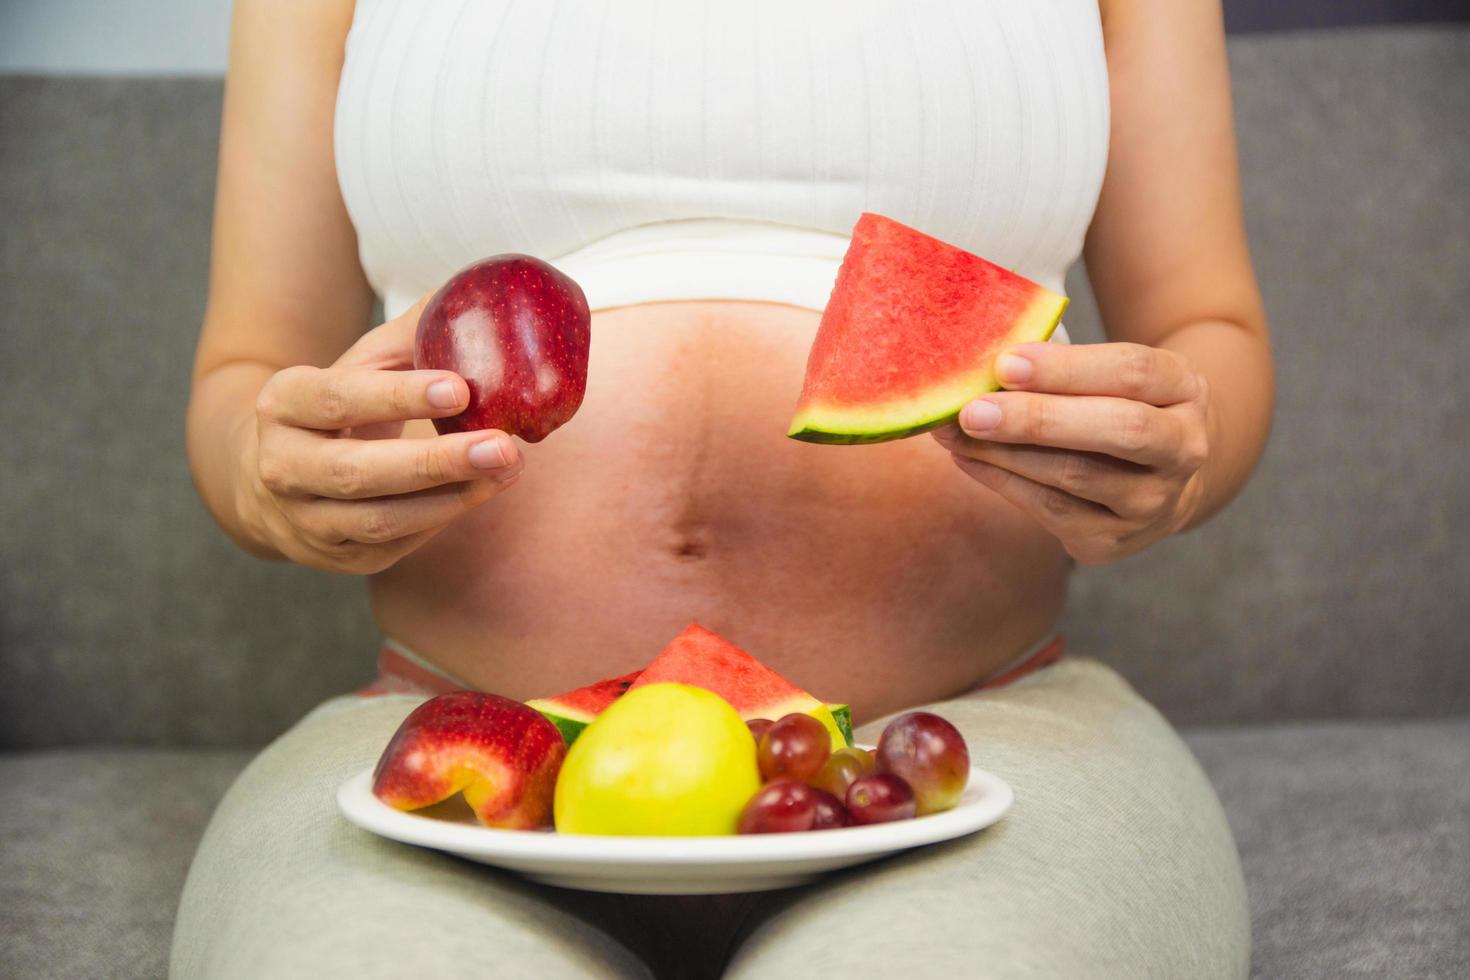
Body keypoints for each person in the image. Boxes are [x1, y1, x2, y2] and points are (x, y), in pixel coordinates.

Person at [174, 0, 1273, 976]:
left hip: (966, 744)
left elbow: (1206, 329)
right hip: (454, 742)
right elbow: (249, 365)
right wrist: (262, 475)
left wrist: (1187, 442)